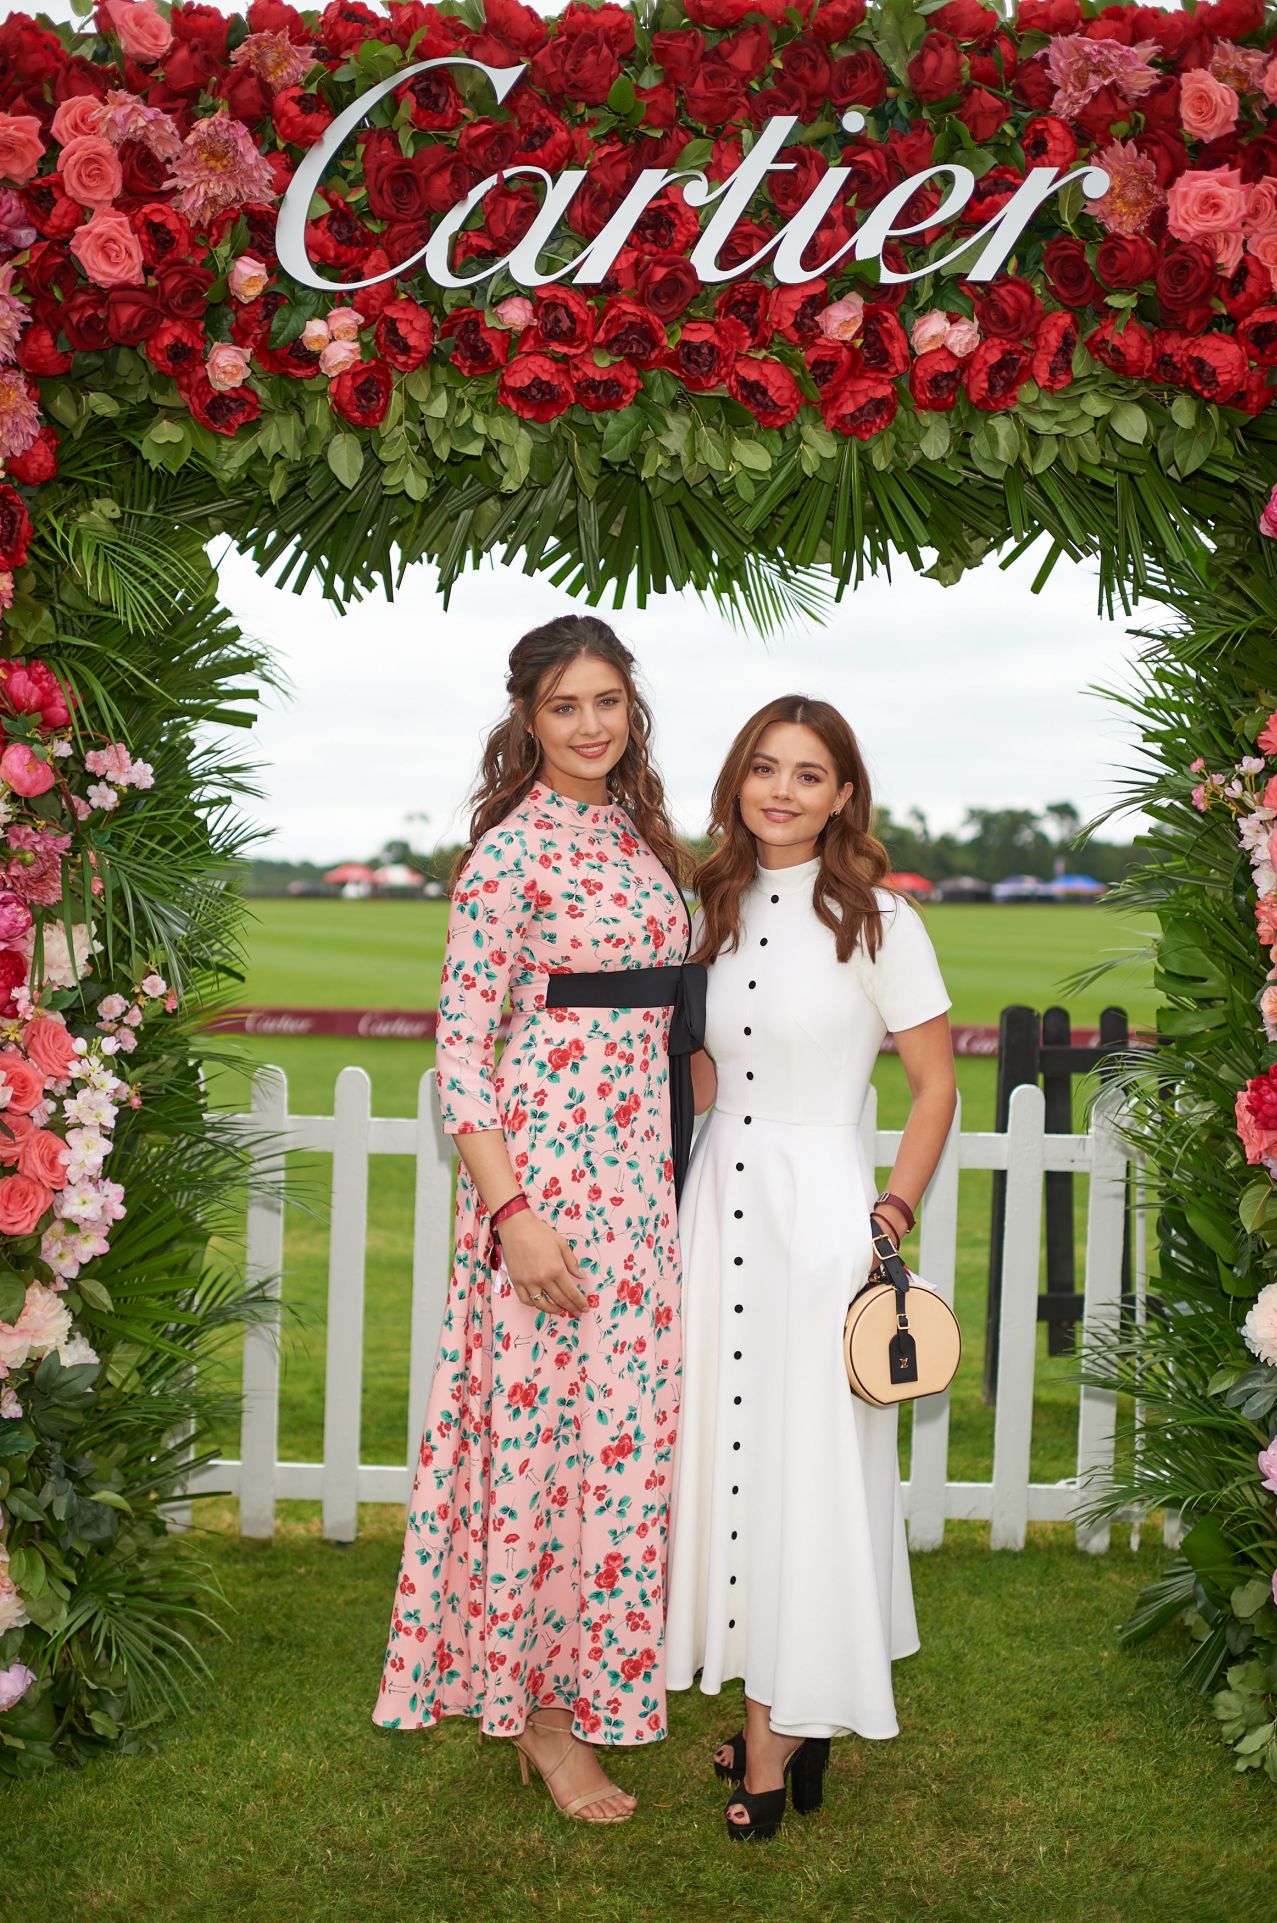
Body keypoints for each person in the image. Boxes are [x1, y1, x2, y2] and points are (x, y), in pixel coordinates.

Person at [373, 614, 705, 1826]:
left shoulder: (636, 832)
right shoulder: (508, 855)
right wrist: (511, 1214)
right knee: (543, 1454)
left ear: (631, 711)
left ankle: (589, 1687)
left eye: (606, 701)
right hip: (550, 1183)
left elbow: (670, 1009)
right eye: (563, 705)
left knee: (617, 1450)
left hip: (640, 1180)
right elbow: (462, 1054)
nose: (587, 724)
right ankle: (545, 1723)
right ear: (527, 719)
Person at [666, 694, 957, 1842]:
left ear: (843, 796)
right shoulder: (710, 908)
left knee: (805, 1474)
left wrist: (890, 1206)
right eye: (763, 769)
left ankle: (774, 1743)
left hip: (823, 1215)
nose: (780, 790)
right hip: (713, 1208)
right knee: (731, 1467)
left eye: (807, 774)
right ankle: (777, 1716)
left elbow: (933, 1085)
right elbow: (700, 1073)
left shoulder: (881, 921)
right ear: (737, 782)